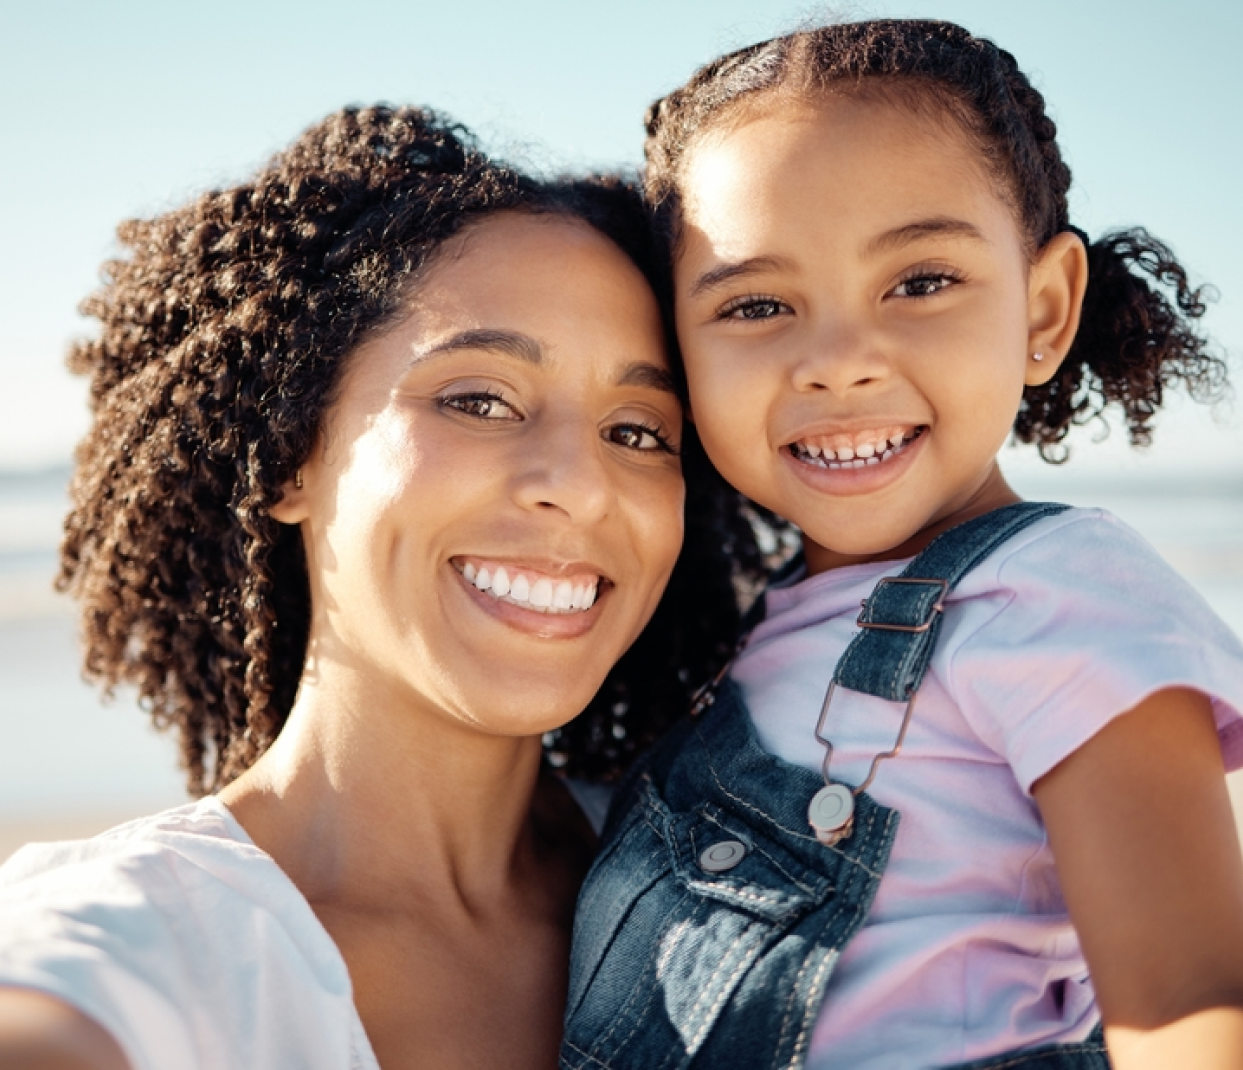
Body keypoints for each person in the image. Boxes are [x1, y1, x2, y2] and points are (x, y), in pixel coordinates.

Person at [0, 105, 770, 1069]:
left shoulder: (744, 876)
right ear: (287, 459)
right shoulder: (129, 945)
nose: (578, 485)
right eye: (479, 400)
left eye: (638, 431)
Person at [561, 19, 1243, 1070]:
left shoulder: (1060, 595)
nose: (837, 361)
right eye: (755, 303)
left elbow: (1193, 1005)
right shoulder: (740, 627)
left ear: (1044, 310)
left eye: (919, 282)